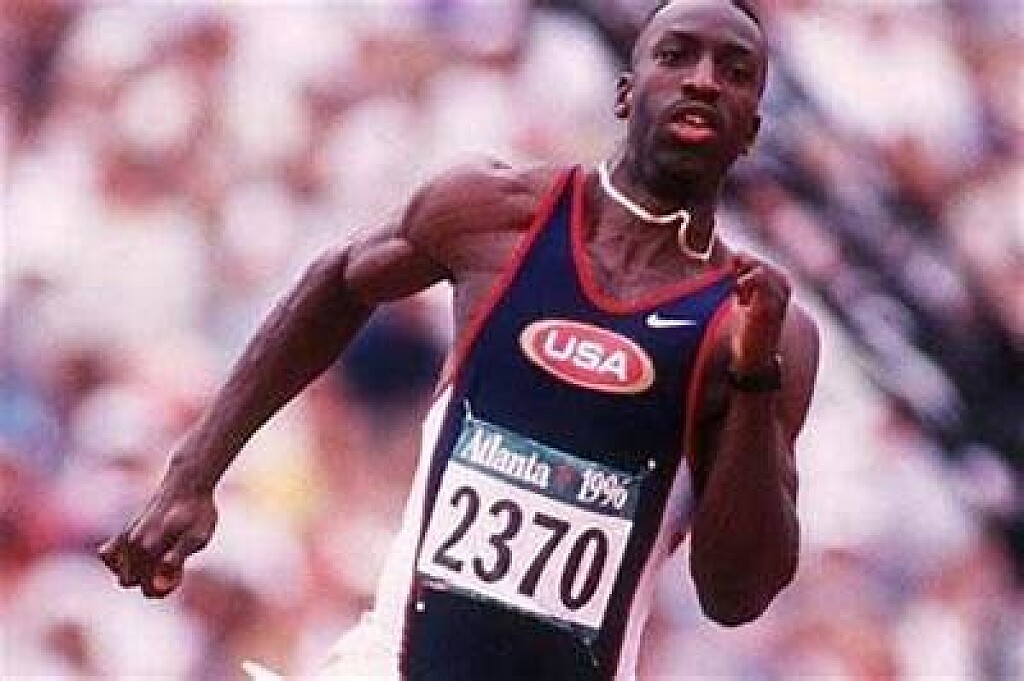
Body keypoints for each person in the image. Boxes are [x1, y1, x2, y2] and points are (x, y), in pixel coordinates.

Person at [100, 0, 819, 678]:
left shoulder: (757, 320)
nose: (703, 81)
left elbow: (735, 595)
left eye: (734, 71)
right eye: (677, 55)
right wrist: (192, 473)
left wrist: (755, 377)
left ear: (752, 129)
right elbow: (339, 279)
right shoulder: (498, 214)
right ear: (626, 94)